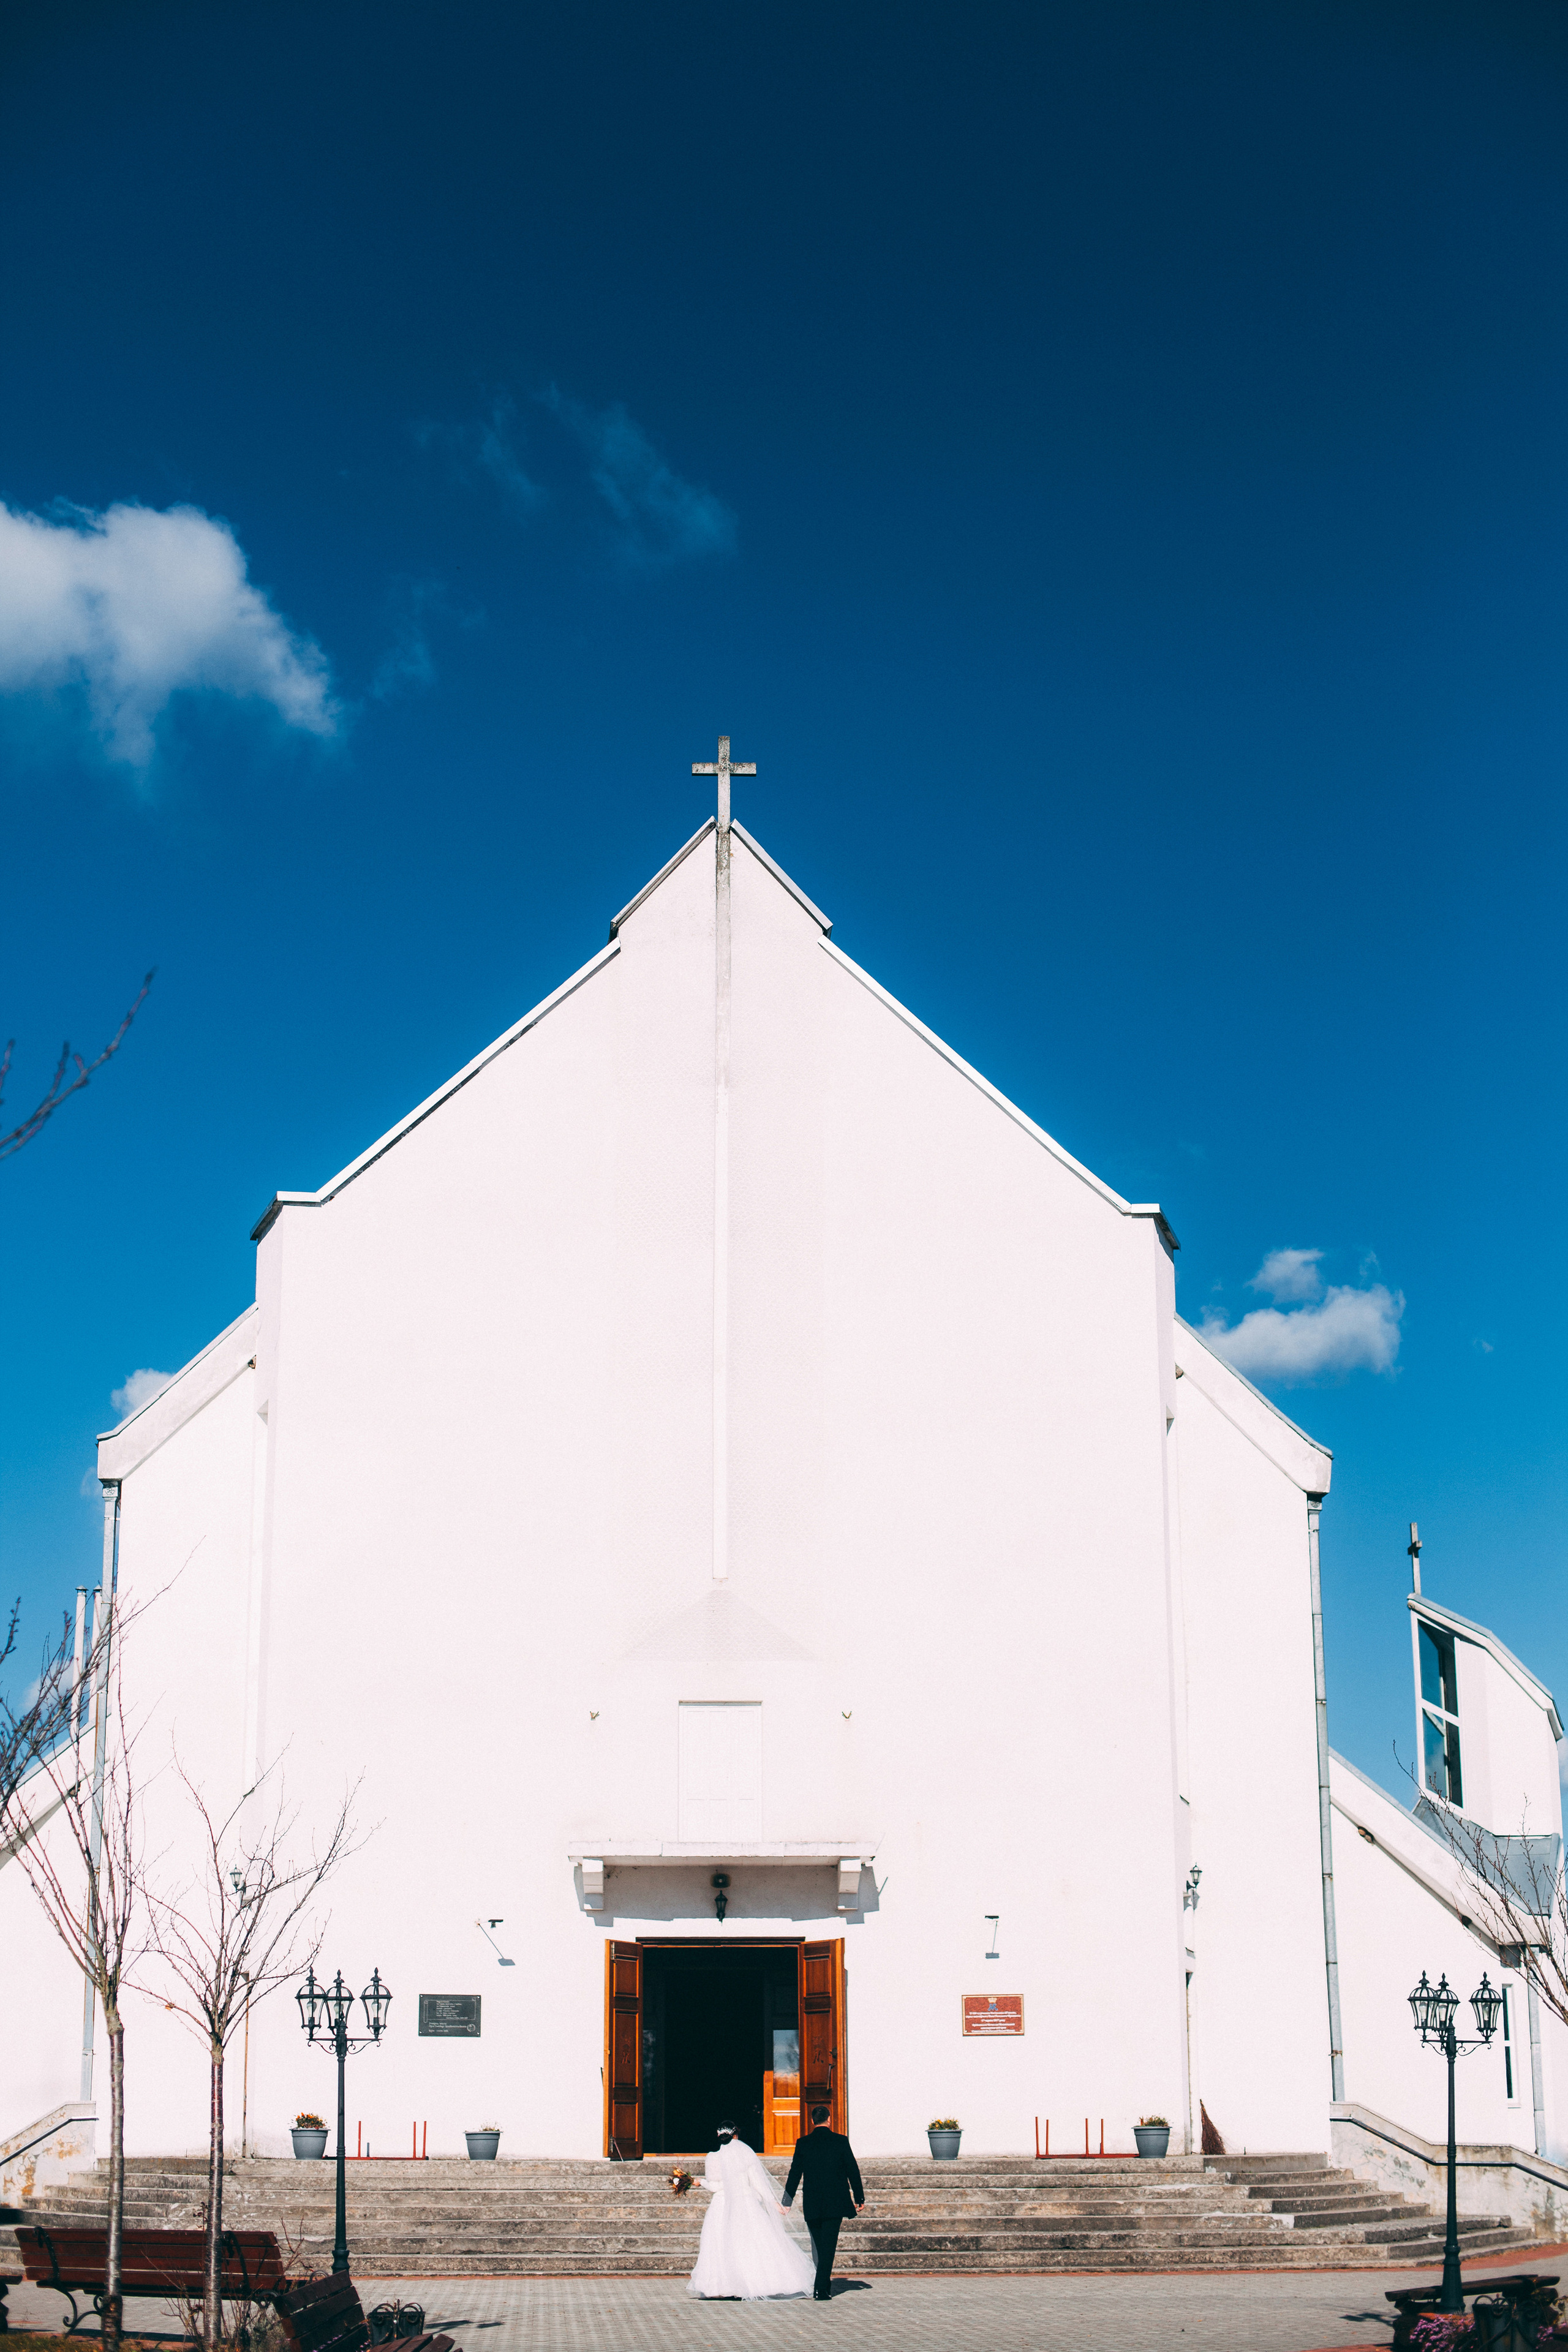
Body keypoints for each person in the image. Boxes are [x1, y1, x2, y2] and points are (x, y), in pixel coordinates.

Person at [688, 2120, 816, 2301]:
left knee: (720, 2245)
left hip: (721, 2206)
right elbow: (759, 2184)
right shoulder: (746, 2155)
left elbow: (717, 2187)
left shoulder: (713, 2158)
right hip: (746, 2203)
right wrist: (774, 2204)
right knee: (750, 2244)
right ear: (736, 2135)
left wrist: (700, 2182)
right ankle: (753, 2284)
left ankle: (723, 2287)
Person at [782, 2104, 865, 2301]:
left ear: (812, 2121)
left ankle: (823, 2285)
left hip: (812, 2201)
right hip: (835, 2201)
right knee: (828, 2246)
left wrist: (787, 2201)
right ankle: (820, 2288)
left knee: (821, 2246)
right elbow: (853, 2170)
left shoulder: (803, 2143)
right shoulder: (840, 2141)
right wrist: (859, 2197)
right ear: (829, 2119)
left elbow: (795, 2173)